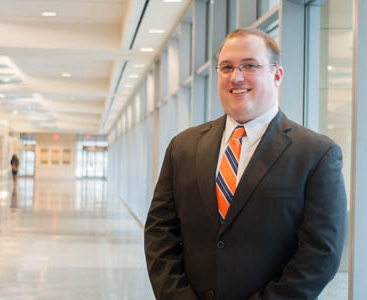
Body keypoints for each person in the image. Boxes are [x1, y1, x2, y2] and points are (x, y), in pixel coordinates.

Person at [144, 28, 347, 300]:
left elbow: (320, 255)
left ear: (277, 75)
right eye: (226, 67)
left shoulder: (317, 154)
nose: (235, 77)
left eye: (249, 65)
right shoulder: (183, 147)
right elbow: (160, 233)